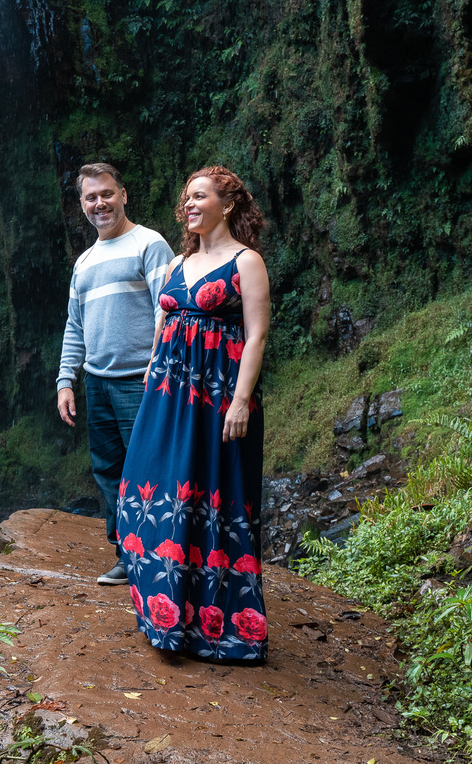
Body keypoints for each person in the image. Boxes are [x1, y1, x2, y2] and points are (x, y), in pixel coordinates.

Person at [117, 165, 270, 661]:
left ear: (227, 205)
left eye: (199, 196)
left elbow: (257, 335)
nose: (188, 204)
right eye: (186, 196)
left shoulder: (247, 262)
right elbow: (165, 325)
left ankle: (217, 627)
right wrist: (151, 370)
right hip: (166, 394)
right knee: (148, 489)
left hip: (217, 396)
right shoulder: (175, 265)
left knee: (213, 496)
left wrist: (242, 400)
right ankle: (164, 617)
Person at [57, 163, 174, 586]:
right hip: (97, 382)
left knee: (148, 468)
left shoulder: (150, 244)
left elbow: (170, 310)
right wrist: (66, 380)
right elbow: (75, 325)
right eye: (91, 197)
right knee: (108, 470)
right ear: (82, 205)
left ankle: (161, 555)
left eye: (106, 194)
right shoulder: (84, 262)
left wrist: (158, 366)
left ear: (123, 195)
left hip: (139, 380)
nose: (99, 203)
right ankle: (127, 555)